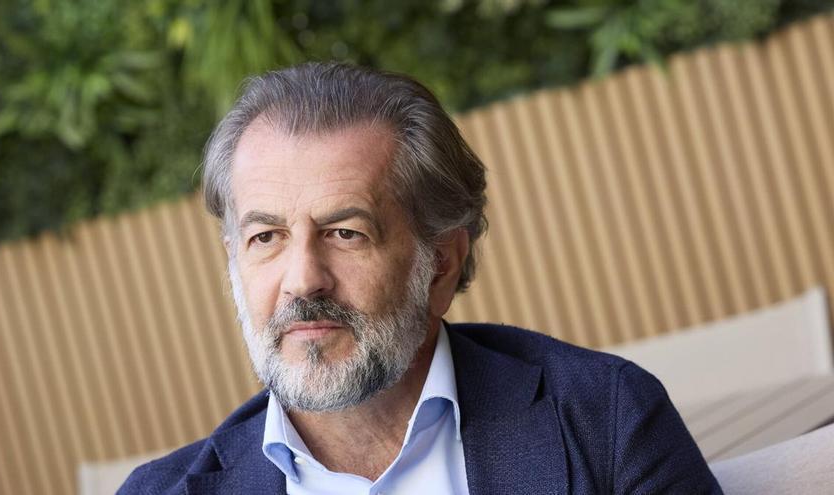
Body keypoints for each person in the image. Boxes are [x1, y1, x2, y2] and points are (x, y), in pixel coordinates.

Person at [119, 62, 721, 494]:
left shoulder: (605, 420)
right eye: (266, 237)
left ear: (441, 263)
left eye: (345, 232)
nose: (302, 280)